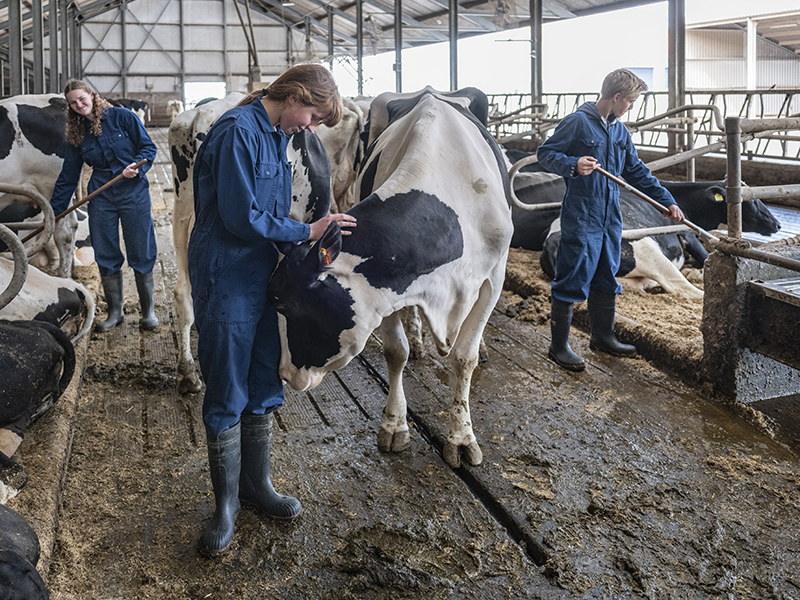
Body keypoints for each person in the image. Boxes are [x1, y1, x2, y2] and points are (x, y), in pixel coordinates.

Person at [187, 64, 357, 557]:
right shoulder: (238, 132)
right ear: (294, 95)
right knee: (226, 385)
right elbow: (242, 218)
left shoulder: (278, 135)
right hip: (227, 274)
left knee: (264, 376)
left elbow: (273, 211)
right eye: (310, 114)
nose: (309, 126)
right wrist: (306, 230)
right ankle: (225, 505)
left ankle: (256, 486)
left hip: (263, 273)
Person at [536, 68, 686, 372]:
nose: (631, 107)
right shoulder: (577, 122)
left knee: (607, 275)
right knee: (572, 277)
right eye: (630, 101)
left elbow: (637, 171)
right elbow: (545, 154)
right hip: (581, 215)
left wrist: (666, 200)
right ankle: (558, 346)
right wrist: (572, 164)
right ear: (616, 97)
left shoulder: (620, 131)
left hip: (610, 217)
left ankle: (603, 336)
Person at [50, 80, 159, 332]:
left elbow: (148, 148)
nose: (79, 105)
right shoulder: (77, 133)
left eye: (82, 99)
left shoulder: (122, 117)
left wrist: (136, 166)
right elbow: (68, 175)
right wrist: (55, 211)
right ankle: (115, 312)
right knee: (106, 252)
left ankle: (149, 311)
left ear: (92, 95)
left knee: (141, 250)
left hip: (133, 192)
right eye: (73, 103)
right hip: (101, 196)